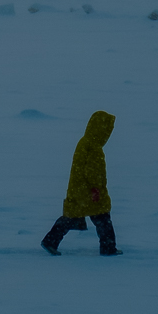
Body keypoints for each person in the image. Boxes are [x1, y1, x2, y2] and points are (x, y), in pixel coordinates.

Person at [41, 110, 121, 256]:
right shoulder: (94, 147)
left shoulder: (84, 142)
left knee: (71, 217)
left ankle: (50, 241)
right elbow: (93, 171)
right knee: (103, 219)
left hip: (79, 189)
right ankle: (108, 248)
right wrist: (96, 189)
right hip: (89, 192)